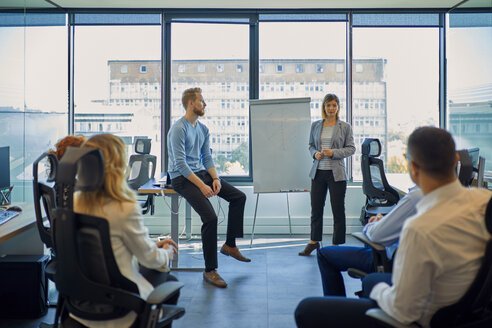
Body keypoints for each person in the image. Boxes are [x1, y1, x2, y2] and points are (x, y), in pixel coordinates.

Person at [295, 127, 492, 328]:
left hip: (427, 319)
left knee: (307, 309)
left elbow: (403, 311)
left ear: (413, 168)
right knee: (372, 280)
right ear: (456, 161)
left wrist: (378, 290)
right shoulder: (486, 201)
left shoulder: (419, 229)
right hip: (471, 310)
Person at [73, 134, 179, 327]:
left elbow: (102, 248)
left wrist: (152, 245)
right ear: (118, 166)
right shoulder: (124, 207)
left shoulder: (73, 202)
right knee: (169, 281)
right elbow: (150, 259)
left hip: (80, 304)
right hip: (119, 304)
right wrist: (167, 253)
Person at [167, 87, 249, 288]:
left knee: (238, 197)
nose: (205, 104)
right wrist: (202, 186)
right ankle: (210, 270)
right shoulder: (179, 129)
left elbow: (207, 156)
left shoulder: (203, 129)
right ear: (191, 103)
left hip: (200, 172)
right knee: (210, 218)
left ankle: (230, 245)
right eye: (201, 101)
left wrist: (215, 178)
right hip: (181, 177)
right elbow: (180, 164)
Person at [317, 186, 423, 296]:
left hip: (390, 260)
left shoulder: (416, 197)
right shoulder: (435, 196)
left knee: (324, 255)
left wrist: (372, 225)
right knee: (368, 244)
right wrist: (384, 223)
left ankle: (337, 310)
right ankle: (368, 291)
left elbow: (377, 235)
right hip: (406, 257)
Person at [299, 93, 356, 256]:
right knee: (316, 209)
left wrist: (334, 152)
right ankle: (313, 242)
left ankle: (335, 244)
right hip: (318, 173)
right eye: (328, 105)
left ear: (338, 107)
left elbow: (351, 148)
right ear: (324, 107)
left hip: (336, 174)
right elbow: (310, 145)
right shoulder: (316, 125)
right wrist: (314, 153)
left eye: (334, 105)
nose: (331, 108)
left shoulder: (345, 127)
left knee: (338, 209)